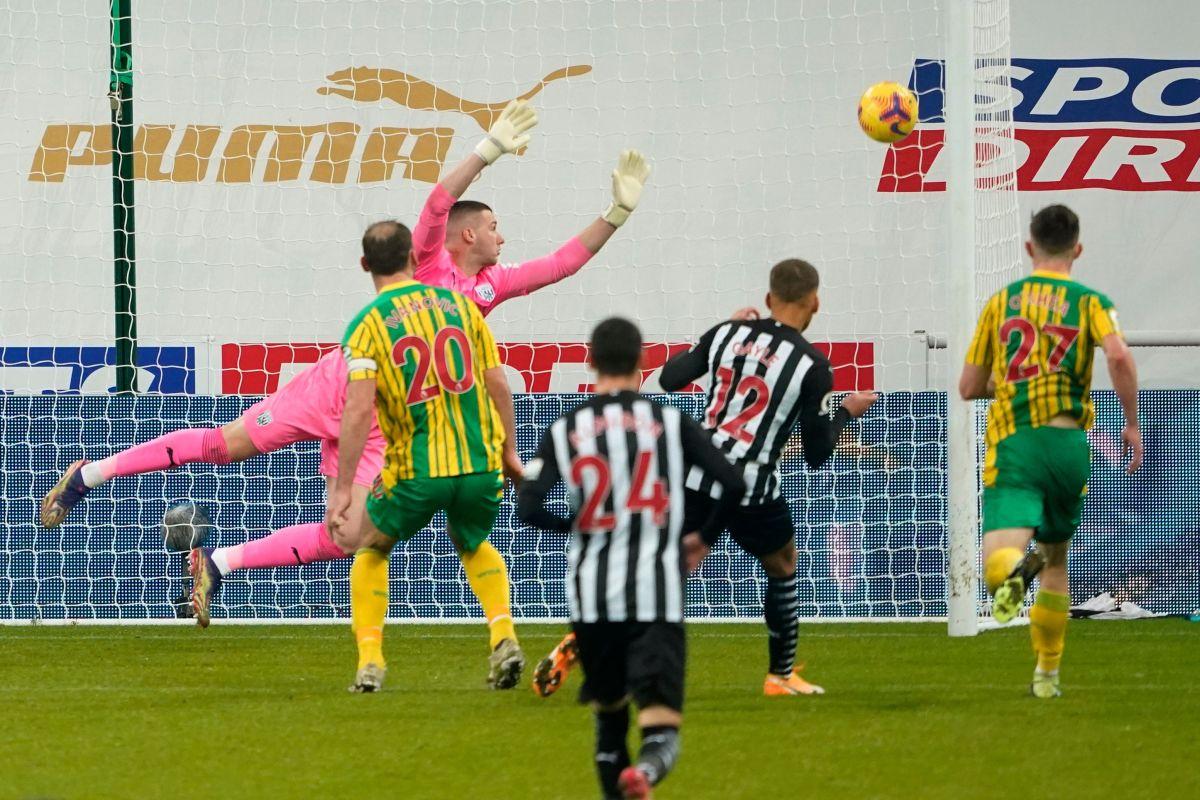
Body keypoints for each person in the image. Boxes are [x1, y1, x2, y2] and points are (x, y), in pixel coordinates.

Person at [535, 259, 877, 699]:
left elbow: (670, 379)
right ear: (815, 302)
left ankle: (586, 639)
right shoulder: (812, 365)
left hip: (696, 473)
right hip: (751, 484)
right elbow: (815, 456)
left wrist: (719, 335)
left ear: (769, 299)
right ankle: (781, 675)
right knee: (783, 565)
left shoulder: (727, 335)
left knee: (663, 571)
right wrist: (847, 410)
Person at [516, 317, 746, 800]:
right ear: (643, 363)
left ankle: (622, 779)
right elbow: (733, 483)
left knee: (608, 724)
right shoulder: (668, 422)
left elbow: (528, 509)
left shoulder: (566, 428)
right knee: (661, 731)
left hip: (592, 601)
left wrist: (578, 522)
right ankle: (645, 772)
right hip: (655, 597)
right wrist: (701, 537)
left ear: (590, 360)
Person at [326, 219, 525, 692]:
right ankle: (504, 636)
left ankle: (370, 662)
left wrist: (341, 490)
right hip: (477, 462)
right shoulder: (460, 305)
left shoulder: (367, 325)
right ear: (415, 258)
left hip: (416, 470)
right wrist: (509, 452)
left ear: (364, 265)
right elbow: (497, 382)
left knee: (372, 546)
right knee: (472, 542)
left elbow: (356, 412)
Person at [958, 203, 1142, 699]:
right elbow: (1119, 354)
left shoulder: (1002, 302)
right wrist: (1131, 422)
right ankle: (1047, 675)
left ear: (1028, 246)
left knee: (998, 566)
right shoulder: (1090, 301)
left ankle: (1017, 570)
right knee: (1057, 559)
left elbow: (969, 385)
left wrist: (1014, 382)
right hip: (1068, 446)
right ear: (1077, 249)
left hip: (1017, 441)